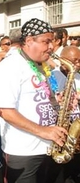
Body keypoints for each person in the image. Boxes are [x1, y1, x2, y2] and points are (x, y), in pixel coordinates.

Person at [0, 18, 68, 183]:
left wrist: (60, 101)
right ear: (28, 41)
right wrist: (44, 131)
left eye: (52, 41)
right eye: (46, 41)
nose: (51, 46)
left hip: (51, 148)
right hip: (24, 152)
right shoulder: (10, 66)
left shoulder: (42, 65)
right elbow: (5, 111)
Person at [51, 45, 80, 183]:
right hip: (62, 128)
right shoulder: (51, 77)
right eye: (75, 61)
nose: (78, 64)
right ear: (63, 61)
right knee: (61, 174)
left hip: (76, 129)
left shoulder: (78, 75)